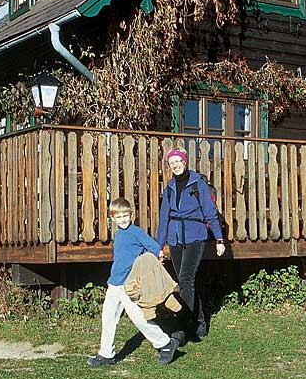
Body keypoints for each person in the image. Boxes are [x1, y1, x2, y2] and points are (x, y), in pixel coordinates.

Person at [87, 197, 179, 367]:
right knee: (108, 317)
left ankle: (165, 344)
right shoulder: (119, 234)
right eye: (118, 217)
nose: (122, 220)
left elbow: (152, 246)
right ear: (112, 219)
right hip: (115, 283)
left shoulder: (136, 232)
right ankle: (106, 354)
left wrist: (157, 256)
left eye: (125, 216)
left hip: (129, 284)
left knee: (138, 318)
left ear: (132, 215)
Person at [156, 147, 225, 342]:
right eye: (172, 162)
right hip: (175, 237)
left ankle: (182, 327)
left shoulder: (197, 184)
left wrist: (219, 239)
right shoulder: (169, 188)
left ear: (185, 162)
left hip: (195, 236)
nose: (175, 165)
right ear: (169, 166)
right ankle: (200, 321)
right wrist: (159, 246)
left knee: (186, 280)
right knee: (186, 282)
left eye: (178, 161)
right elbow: (163, 219)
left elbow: (210, 211)